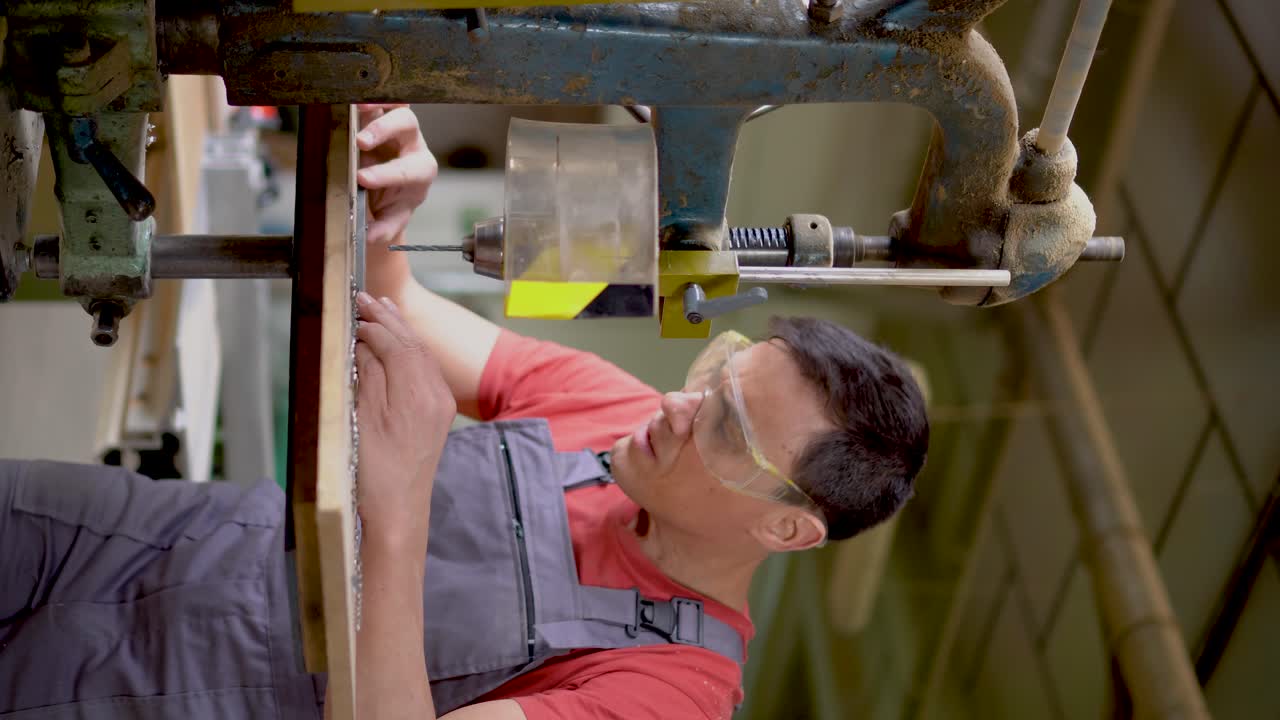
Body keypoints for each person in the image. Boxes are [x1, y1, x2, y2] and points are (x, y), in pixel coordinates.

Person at [0, 106, 929, 720]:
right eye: (717, 372)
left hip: (178, 697)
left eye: (726, 427)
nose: (681, 408)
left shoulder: (672, 690)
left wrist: (396, 509)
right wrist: (388, 198)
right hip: (141, 536)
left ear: (786, 526)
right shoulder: (626, 413)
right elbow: (395, 304)